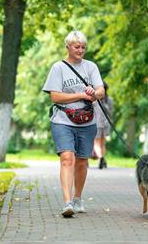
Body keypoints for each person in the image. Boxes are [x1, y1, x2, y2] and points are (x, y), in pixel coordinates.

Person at [42, 30, 105, 217]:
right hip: (62, 120)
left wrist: (94, 92)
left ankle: (77, 198)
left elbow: (101, 91)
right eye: (77, 46)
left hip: (87, 121)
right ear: (68, 46)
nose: (81, 50)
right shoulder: (58, 68)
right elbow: (55, 96)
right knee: (67, 158)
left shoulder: (91, 67)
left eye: (84, 47)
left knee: (82, 161)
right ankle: (67, 202)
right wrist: (79, 95)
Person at [93, 81, 113, 169]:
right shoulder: (109, 100)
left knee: (96, 143)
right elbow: (111, 113)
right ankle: (103, 158)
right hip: (106, 123)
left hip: (96, 123)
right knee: (102, 143)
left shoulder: (94, 99)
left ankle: (100, 158)